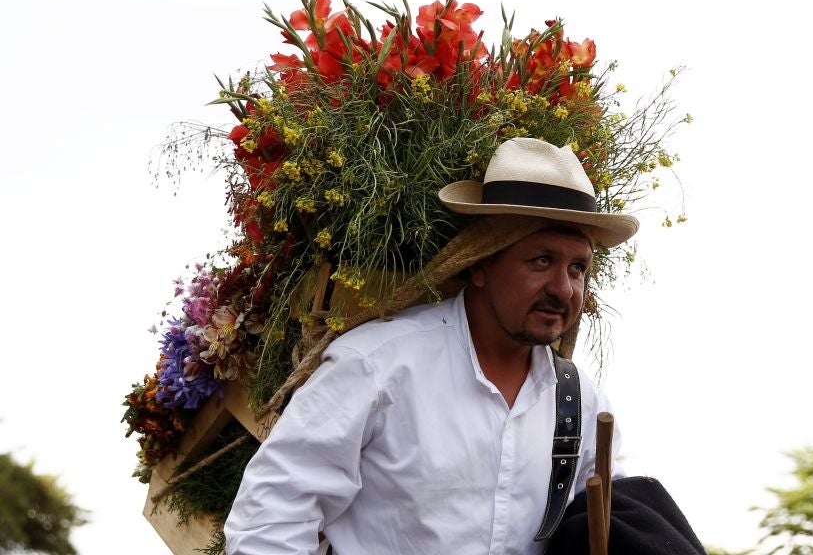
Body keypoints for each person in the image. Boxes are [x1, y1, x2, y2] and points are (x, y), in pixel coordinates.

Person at [224, 137, 639, 555]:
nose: (563, 289)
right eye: (541, 261)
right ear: (479, 263)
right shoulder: (377, 365)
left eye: (578, 268)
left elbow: (608, 520)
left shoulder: (580, 402)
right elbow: (271, 517)